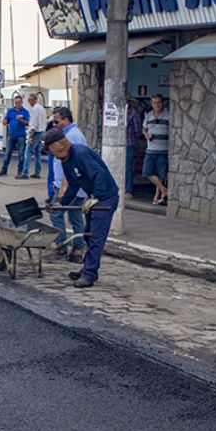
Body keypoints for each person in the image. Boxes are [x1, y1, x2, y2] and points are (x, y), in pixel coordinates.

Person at [45, 128, 119, 288]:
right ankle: (87, 268)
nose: (50, 154)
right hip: (95, 198)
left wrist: (96, 197)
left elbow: (99, 174)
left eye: (50, 149)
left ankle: (89, 275)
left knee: (96, 237)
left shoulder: (79, 153)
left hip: (105, 198)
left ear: (58, 145)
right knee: (88, 235)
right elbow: (73, 183)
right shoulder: (66, 160)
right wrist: (61, 203)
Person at [49, 107, 86, 262]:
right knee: (75, 216)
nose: (55, 124)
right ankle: (77, 249)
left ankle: (61, 247)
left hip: (70, 186)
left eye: (57, 121)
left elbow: (72, 165)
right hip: (67, 184)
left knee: (56, 214)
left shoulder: (73, 136)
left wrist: (63, 186)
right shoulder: (67, 134)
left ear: (65, 120)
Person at [142, 94, 169, 205]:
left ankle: (157, 196)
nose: (157, 105)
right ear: (152, 104)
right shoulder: (148, 115)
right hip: (151, 149)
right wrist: (146, 134)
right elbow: (144, 129)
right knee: (147, 172)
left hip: (164, 149)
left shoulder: (169, 115)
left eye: (159, 102)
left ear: (162, 103)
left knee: (161, 174)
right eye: (154, 103)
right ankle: (164, 190)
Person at [0, 95, 29, 178]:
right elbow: (5, 120)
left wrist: (21, 120)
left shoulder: (25, 112)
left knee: (21, 154)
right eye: (16, 102)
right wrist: (4, 121)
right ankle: (4, 170)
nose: (17, 104)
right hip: (11, 134)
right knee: (7, 153)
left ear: (21, 103)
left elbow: (28, 123)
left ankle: (20, 171)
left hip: (21, 135)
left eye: (18, 102)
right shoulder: (11, 111)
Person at [23, 94, 47, 180]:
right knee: (37, 153)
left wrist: (31, 136)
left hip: (36, 133)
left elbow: (33, 124)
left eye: (29, 101)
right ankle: (37, 172)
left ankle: (25, 172)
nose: (29, 103)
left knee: (28, 152)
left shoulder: (35, 109)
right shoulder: (42, 109)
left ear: (32, 100)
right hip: (42, 132)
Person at [125, 96, 141, 199]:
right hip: (125, 143)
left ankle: (128, 189)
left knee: (128, 167)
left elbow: (137, 131)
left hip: (129, 144)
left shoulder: (133, 113)